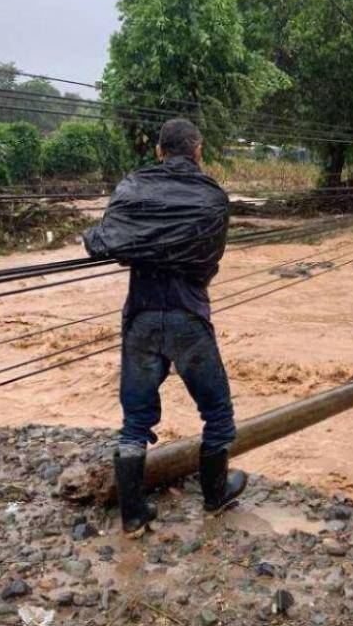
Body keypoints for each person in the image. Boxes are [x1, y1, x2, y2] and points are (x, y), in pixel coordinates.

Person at [83, 118, 246, 532]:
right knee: (218, 413)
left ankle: (134, 517)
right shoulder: (212, 197)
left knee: (134, 422)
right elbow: (208, 261)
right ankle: (215, 497)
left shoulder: (133, 188)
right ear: (198, 151)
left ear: (159, 151)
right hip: (187, 316)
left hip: (140, 317)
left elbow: (104, 241)